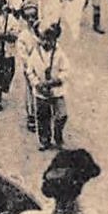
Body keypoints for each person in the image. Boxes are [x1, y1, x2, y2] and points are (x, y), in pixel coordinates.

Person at [27, 21, 70, 150]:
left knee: (62, 115)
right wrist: (37, 83)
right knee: (42, 116)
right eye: (44, 40)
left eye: (49, 40)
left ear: (54, 40)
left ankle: (58, 135)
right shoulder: (35, 53)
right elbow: (30, 71)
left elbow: (66, 70)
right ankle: (44, 140)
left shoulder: (59, 54)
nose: (46, 43)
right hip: (41, 91)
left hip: (56, 90)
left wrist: (57, 80)